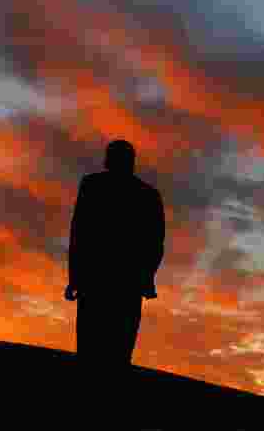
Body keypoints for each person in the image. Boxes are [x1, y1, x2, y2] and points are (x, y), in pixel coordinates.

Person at [65, 140, 165, 369]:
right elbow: (156, 243)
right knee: (117, 353)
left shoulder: (92, 185)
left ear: (108, 159)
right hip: (123, 282)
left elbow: (79, 232)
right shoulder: (148, 194)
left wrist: (75, 276)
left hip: (100, 279)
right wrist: (146, 278)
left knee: (92, 351)